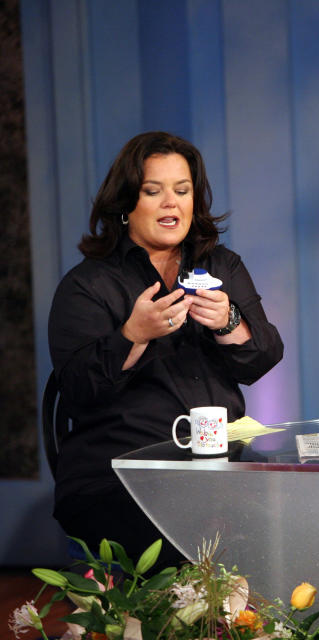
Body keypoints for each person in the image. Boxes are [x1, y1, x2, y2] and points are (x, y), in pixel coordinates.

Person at [49, 131, 283, 566]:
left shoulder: (220, 265)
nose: (171, 203)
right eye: (153, 191)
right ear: (124, 205)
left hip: (217, 467)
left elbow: (263, 358)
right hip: (119, 475)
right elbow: (79, 390)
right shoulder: (87, 284)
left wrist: (228, 320)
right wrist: (133, 334)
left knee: (290, 516)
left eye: (182, 190)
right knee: (187, 529)